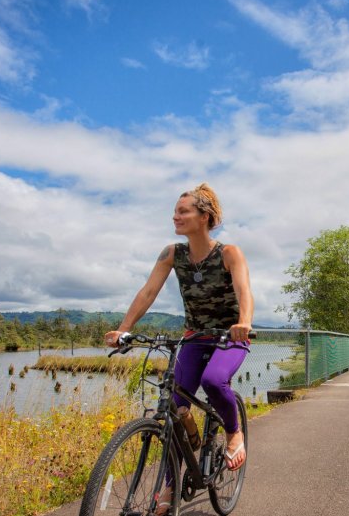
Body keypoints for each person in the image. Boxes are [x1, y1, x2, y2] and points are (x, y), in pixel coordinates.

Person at [105, 183, 253, 487]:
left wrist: (244, 322)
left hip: (230, 336)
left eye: (183, 211)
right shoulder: (172, 254)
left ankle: (234, 431)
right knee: (174, 409)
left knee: (214, 381)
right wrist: (124, 329)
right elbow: (147, 292)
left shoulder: (229, 253)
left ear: (204, 217)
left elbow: (244, 290)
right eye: (175, 211)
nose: (175, 217)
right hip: (195, 337)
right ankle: (171, 487)